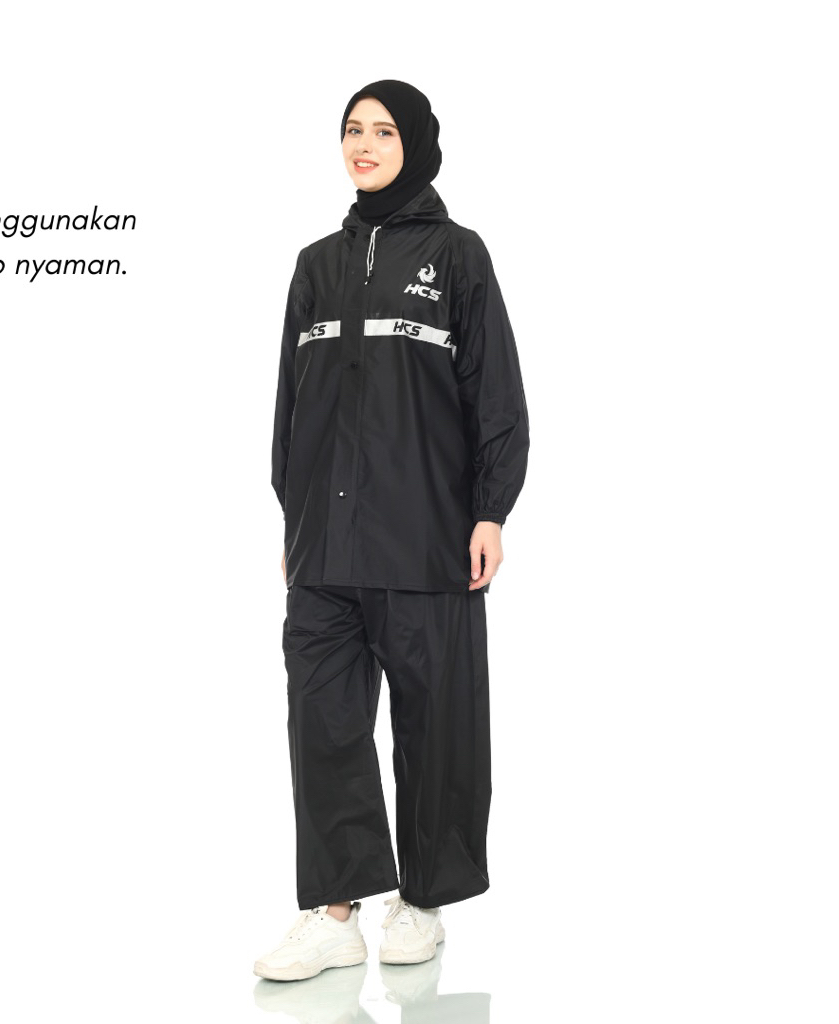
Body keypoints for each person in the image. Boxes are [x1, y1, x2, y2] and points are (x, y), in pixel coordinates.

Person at [254, 80, 530, 983]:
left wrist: (490, 509)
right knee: (322, 726)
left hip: (427, 539)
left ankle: (422, 900)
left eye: (382, 131)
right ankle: (334, 912)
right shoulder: (314, 265)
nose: (363, 145)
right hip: (324, 548)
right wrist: (293, 517)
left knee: (435, 726)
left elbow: (495, 395)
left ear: (415, 143)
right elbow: (291, 408)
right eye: (351, 130)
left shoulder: (458, 255)